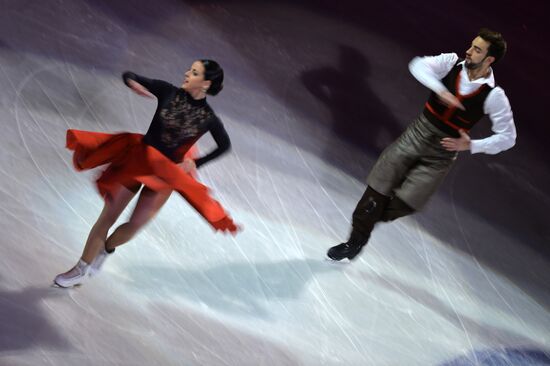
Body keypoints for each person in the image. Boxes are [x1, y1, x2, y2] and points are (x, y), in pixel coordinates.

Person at [327, 28, 516, 261]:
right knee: (376, 190)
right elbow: (418, 65)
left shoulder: (494, 96)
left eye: (477, 50)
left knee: (408, 203)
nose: (468, 51)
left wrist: (471, 145)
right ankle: (354, 243)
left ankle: (369, 215)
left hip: (442, 154)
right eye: (471, 45)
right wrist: (440, 90)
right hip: (416, 134)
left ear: (489, 59)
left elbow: (508, 136)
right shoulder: (451, 62)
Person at [54, 59, 239, 287]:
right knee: (107, 216)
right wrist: (133, 83)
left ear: (205, 83)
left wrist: (196, 163)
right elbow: (129, 73)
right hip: (138, 161)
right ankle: (80, 269)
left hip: (166, 175)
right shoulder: (167, 91)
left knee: (134, 225)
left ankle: (106, 249)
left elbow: (224, 145)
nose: (186, 73)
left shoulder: (209, 119)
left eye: (193, 72)